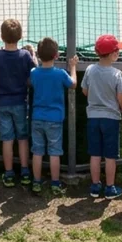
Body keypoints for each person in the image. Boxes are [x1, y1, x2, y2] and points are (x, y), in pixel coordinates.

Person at [0, 18, 36, 187]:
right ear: (20, 36)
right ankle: (24, 171)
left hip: (2, 102)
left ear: (1, 36)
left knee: (7, 139)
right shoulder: (25, 55)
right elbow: (33, 75)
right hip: (20, 102)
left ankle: (8, 173)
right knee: (22, 138)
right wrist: (33, 55)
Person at [29, 36, 78, 194]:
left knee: (37, 151)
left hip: (37, 117)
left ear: (38, 54)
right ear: (56, 55)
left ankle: (36, 182)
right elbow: (73, 84)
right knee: (54, 152)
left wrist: (33, 58)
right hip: (55, 119)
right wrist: (73, 67)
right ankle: (55, 184)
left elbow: (33, 77)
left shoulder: (34, 73)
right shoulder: (60, 73)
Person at [82, 33, 122, 199]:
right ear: (113, 54)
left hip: (93, 117)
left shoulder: (90, 70)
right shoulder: (117, 74)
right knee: (110, 156)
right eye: (117, 51)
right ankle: (110, 187)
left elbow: (85, 91)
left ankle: (95, 186)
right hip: (111, 118)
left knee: (94, 154)